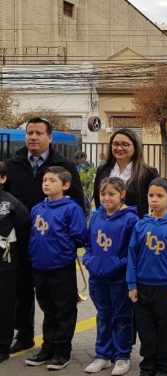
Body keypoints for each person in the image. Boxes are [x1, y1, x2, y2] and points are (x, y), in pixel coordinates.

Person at [5, 117, 85, 354]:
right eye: (29, 133)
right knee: (22, 291)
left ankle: (59, 345)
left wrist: (67, 240)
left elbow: (79, 203)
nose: (33, 137)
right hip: (19, 241)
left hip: (54, 246)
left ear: (49, 137)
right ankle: (25, 334)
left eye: (39, 133)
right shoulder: (11, 165)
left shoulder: (65, 167)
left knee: (56, 299)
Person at [25, 166, 88, 370]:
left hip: (60, 267)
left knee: (64, 310)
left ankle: (62, 351)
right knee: (47, 309)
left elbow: (79, 236)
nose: (46, 183)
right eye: (45, 180)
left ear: (65, 185)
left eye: (52, 180)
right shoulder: (37, 209)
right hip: (39, 267)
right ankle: (47, 347)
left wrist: (62, 246)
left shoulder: (71, 208)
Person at [127, 178, 167, 376]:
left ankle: (163, 366)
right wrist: (132, 284)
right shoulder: (140, 225)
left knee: (165, 330)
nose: (154, 200)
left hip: (166, 288)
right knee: (146, 330)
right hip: (143, 286)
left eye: (159, 196)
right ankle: (147, 366)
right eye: (151, 196)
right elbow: (132, 255)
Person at [83, 177, 139, 375]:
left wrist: (117, 264)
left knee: (121, 317)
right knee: (103, 315)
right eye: (103, 194)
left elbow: (132, 252)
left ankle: (122, 356)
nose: (106, 198)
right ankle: (103, 355)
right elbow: (89, 243)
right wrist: (89, 260)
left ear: (122, 195)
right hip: (97, 277)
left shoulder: (131, 219)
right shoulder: (97, 216)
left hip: (119, 278)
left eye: (111, 194)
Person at [0, 161, 30, 364]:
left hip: (6, 267)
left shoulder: (12, 204)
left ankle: (2, 347)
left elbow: (24, 234)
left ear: (2, 179)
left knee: (4, 307)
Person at [94, 129, 159, 217]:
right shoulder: (102, 170)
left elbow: (157, 202)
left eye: (125, 144)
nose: (119, 148)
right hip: (107, 225)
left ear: (135, 147)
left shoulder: (149, 173)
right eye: (115, 144)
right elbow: (98, 199)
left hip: (135, 226)